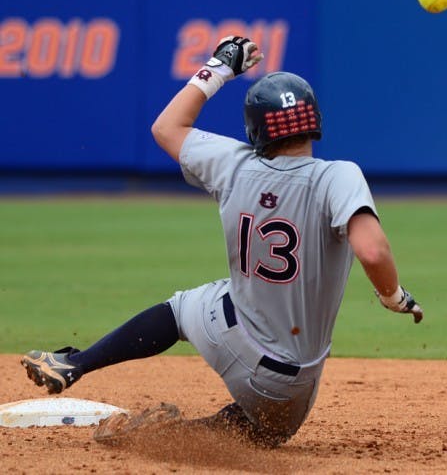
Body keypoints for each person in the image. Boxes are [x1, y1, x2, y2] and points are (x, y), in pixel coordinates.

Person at [21, 36, 423, 447]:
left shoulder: (232, 164)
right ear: (314, 120)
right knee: (267, 429)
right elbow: (371, 250)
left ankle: (75, 362)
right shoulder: (338, 175)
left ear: (256, 128)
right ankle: (166, 439)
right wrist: (392, 297)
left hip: (231, 336)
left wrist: (219, 67)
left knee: (180, 311)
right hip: (292, 385)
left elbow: (166, 127)